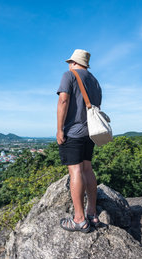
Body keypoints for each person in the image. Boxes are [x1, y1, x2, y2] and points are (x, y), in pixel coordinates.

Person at [57, 49, 102, 233]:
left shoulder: (69, 75)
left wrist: (60, 129)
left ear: (75, 62)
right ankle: (92, 213)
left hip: (74, 132)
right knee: (87, 168)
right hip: (90, 132)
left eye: (70, 61)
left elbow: (63, 101)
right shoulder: (95, 81)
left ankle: (79, 219)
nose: (69, 64)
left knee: (75, 170)